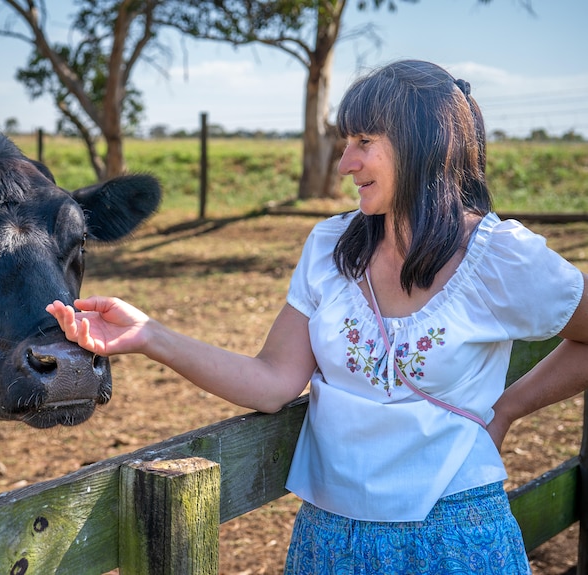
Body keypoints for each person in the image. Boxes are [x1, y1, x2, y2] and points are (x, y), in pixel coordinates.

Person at [46, 59, 588, 574]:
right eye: (344, 142)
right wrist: (149, 336)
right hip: (329, 540)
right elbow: (272, 382)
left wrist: (507, 407)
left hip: (454, 535)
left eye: (364, 142)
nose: (346, 163)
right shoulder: (330, 246)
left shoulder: (500, 256)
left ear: (427, 147)